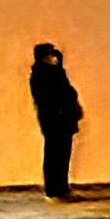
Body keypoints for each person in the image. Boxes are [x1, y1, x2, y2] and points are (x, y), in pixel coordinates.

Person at [29, 43, 82, 200]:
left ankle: (61, 186)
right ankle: (55, 188)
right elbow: (50, 97)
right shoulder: (42, 74)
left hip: (62, 119)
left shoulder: (53, 72)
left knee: (62, 153)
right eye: (51, 54)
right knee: (55, 154)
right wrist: (61, 111)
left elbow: (65, 89)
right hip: (55, 120)